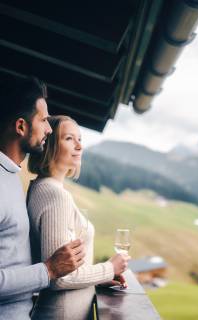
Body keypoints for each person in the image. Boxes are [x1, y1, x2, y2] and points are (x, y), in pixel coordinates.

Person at [27, 115, 131, 320]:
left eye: (80, 139)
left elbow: (66, 269)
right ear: (50, 146)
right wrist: (110, 268)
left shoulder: (43, 187)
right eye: (69, 139)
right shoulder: (54, 194)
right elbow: (59, 277)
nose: (79, 146)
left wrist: (97, 277)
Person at [0, 76, 85, 320]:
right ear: (20, 127)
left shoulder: (12, 175)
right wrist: (49, 270)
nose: (49, 128)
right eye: (44, 120)